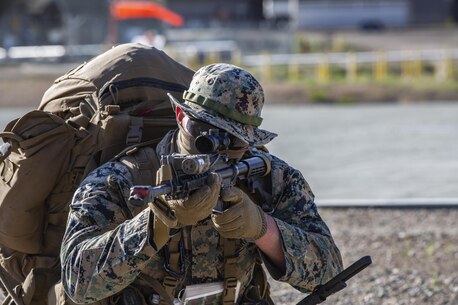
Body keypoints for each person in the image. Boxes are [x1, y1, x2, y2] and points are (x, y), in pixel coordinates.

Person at [60, 63, 343, 305]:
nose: (217, 147)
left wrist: (264, 229)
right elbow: (77, 284)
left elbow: (329, 271)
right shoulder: (120, 180)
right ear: (181, 116)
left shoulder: (270, 178)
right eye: (204, 131)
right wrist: (153, 225)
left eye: (233, 138)